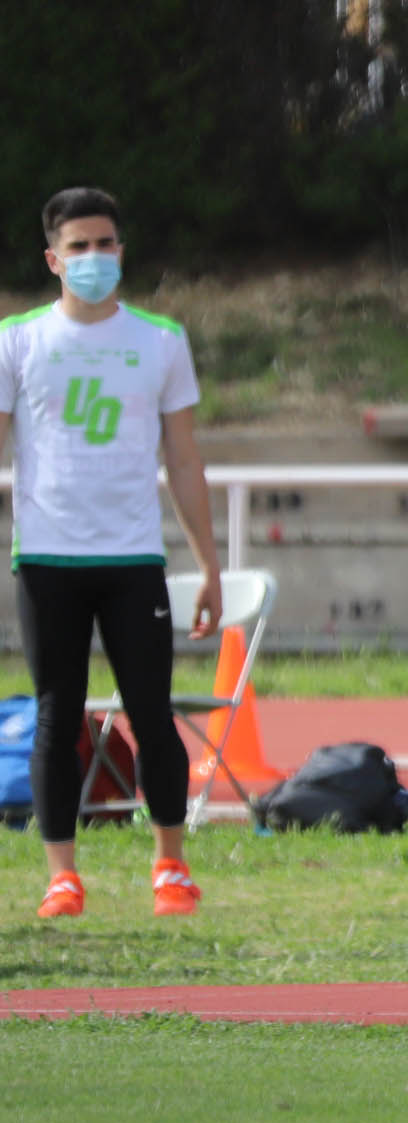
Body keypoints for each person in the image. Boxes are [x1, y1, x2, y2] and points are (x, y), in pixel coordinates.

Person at [4, 189, 223, 920]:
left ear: (121, 251)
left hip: (133, 560)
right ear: (52, 259)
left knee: (150, 712)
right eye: (79, 248)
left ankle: (170, 864)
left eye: (106, 245)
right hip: (47, 558)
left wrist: (209, 565)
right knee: (56, 716)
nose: (95, 260)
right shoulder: (18, 340)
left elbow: (184, 461)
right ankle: (62, 874)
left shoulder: (159, 340)